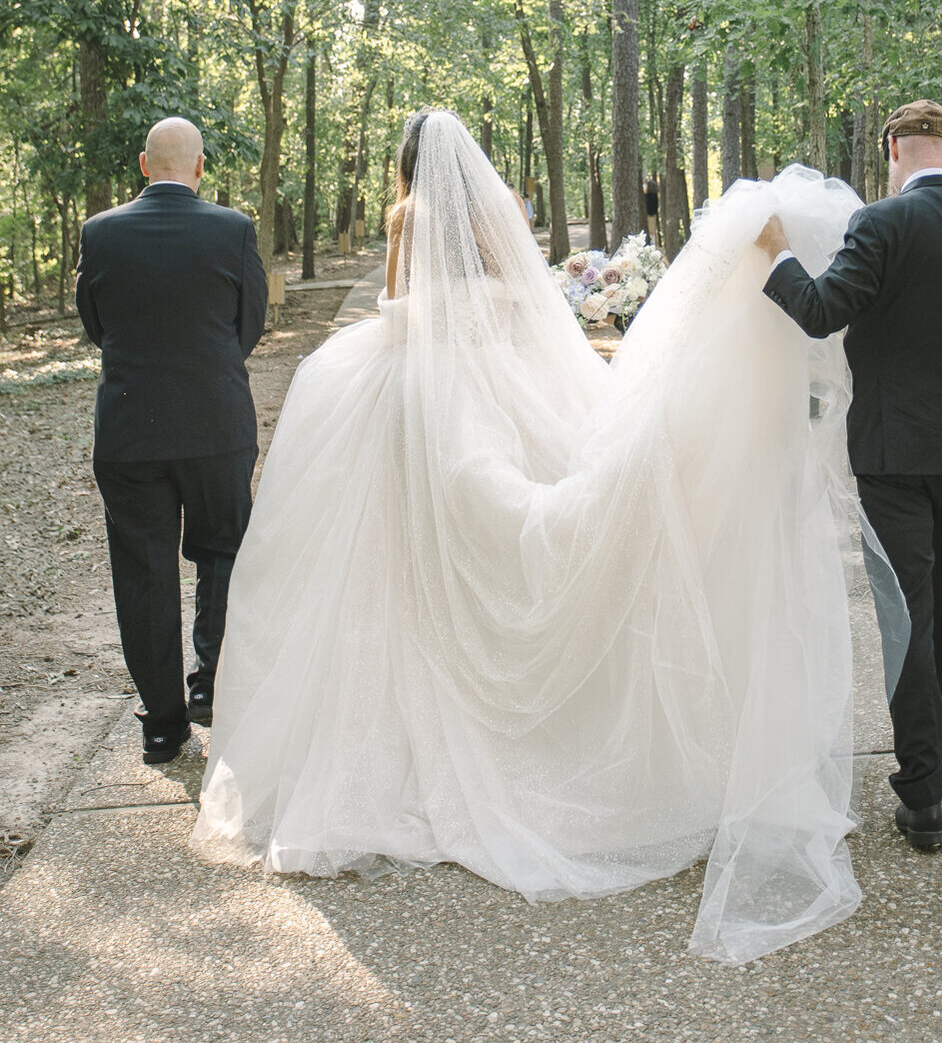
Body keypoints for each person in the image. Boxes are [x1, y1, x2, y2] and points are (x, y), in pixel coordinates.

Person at [193, 111, 906, 965]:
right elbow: (522, 301)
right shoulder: (492, 218)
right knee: (496, 521)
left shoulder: (405, 218)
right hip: (487, 373)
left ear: (406, 166)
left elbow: (401, 307)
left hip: (413, 384)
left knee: (384, 567)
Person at [755, 99, 942, 854]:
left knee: (907, 610)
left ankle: (923, 792)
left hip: (889, 447)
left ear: (893, 149)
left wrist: (778, 255)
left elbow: (819, 311)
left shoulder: (879, 225)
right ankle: (933, 716)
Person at [76, 118, 268, 767]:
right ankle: (211, 682)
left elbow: (95, 326)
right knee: (223, 550)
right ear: (200, 166)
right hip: (217, 424)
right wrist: (206, 369)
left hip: (131, 431)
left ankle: (162, 726)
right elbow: (251, 323)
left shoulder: (99, 234)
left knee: (144, 572)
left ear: (141, 163)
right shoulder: (233, 229)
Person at [644, 176, 660, 245]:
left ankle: (652, 243)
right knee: (653, 230)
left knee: (650, 230)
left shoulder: (646, 195)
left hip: (648, 214)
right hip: (653, 214)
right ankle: (653, 243)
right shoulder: (656, 195)